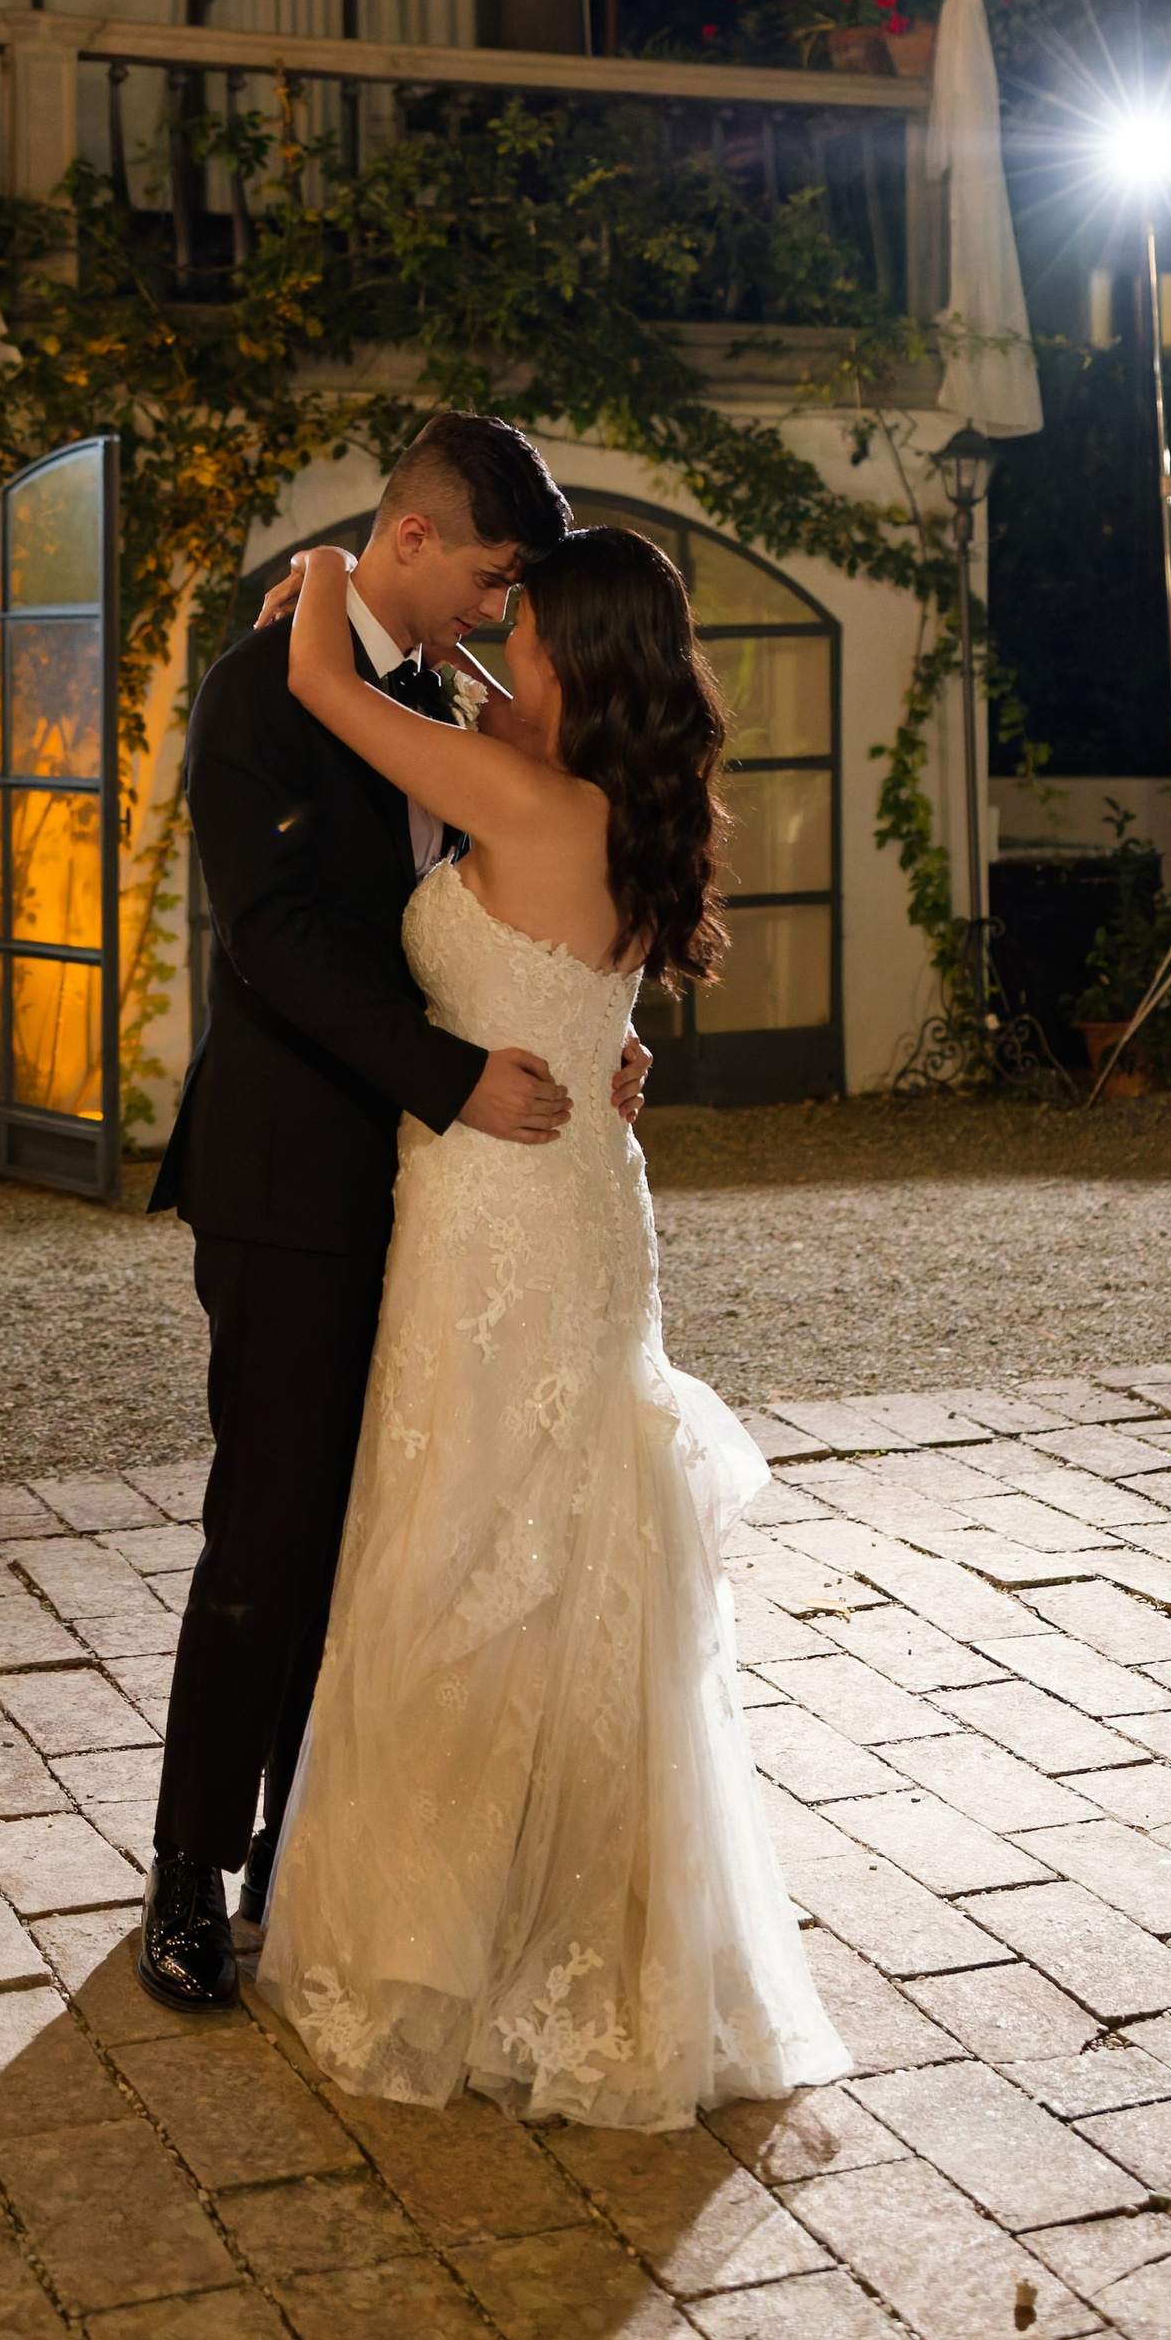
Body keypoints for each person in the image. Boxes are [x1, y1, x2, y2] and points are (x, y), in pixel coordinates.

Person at [255, 522, 848, 2130]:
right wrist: (609, 1046)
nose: (500, 650)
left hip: (502, 1214)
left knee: (471, 1547)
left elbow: (324, 684)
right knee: (554, 1541)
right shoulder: (623, 808)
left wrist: (334, 567)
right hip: (568, 1191)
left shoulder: (525, 799)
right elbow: (587, 995)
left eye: (524, 634)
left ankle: (454, 1936)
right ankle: (560, 1917)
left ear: (577, 663)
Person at [140, 413, 650, 2014]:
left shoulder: (457, 701)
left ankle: (314, 1857)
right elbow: (277, 940)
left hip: (454, 1198)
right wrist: (452, 1074)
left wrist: (595, 1031)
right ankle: (186, 1870)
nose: (501, 612)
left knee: (390, 1544)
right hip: (296, 1175)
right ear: (413, 537)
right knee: (272, 1531)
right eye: (493, 578)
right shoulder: (259, 691)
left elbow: (544, 904)